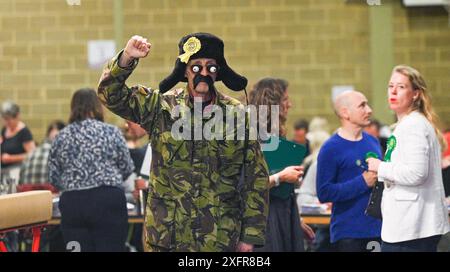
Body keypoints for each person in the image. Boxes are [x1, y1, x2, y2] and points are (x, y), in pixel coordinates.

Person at [97, 33, 269, 252]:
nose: (204, 73)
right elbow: (109, 95)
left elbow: (257, 178)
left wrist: (250, 236)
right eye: (196, 67)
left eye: (211, 67)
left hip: (219, 237)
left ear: (218, 73)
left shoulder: (239, 115)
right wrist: (126, 59)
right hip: (167, 238)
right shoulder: (160, 107)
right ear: (185, 70)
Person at [367, 65, 450, 252]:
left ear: (415, 94)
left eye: (401, 87)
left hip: (412, 227)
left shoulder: (414, 126)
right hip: (409, 225)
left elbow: (416, 173)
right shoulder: (408, 124)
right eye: (390, 86)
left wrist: (380, 167)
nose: (393, 91)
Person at [48, 88, 134, 252]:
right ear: (98, 107)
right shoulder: (111, 132)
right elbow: (126, 168)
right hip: (108, 200)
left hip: (74, 204)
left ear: (73, 108)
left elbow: (53, 176)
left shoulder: (61, 136)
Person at [249, 78, 315, 252]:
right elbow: (247, 186)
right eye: (285, 100)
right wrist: (281, 177)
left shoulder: (277, 137)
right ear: (273, 104)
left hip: (283, 214)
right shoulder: (251, 138)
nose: (290, 104)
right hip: (264, 220)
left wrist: (296, 220)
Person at [316, 90, 382, 252]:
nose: (369, 110)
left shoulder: (373, 141)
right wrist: (362, 183)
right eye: (362, 106)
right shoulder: (330, 148)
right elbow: (324, 192)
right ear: (345, 113)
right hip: (349, 233)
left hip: (378, 229)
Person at [18, 120, 65, 193]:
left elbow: (20, 183)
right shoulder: (60, 154)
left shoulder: (30, 154)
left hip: (27, 198)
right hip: (50, 199)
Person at [1, 101, 36, 185]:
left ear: (17, 116)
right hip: (4, 170)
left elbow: (32, 155)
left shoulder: (24, 132)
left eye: (10, 119)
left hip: (17, 170)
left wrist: (11, 158)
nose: (7, 122)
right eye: (5, 119)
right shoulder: (5, 129)